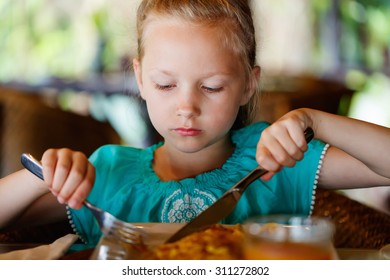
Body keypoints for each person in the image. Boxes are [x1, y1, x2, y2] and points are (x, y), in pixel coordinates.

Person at [1, 0, 390, 250]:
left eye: (212, 86)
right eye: (165, 85)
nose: (186, 107)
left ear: (248, 85)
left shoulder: (270, 162)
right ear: (139, 80)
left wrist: (316, 122)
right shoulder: (107, 174)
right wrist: (45, 175)